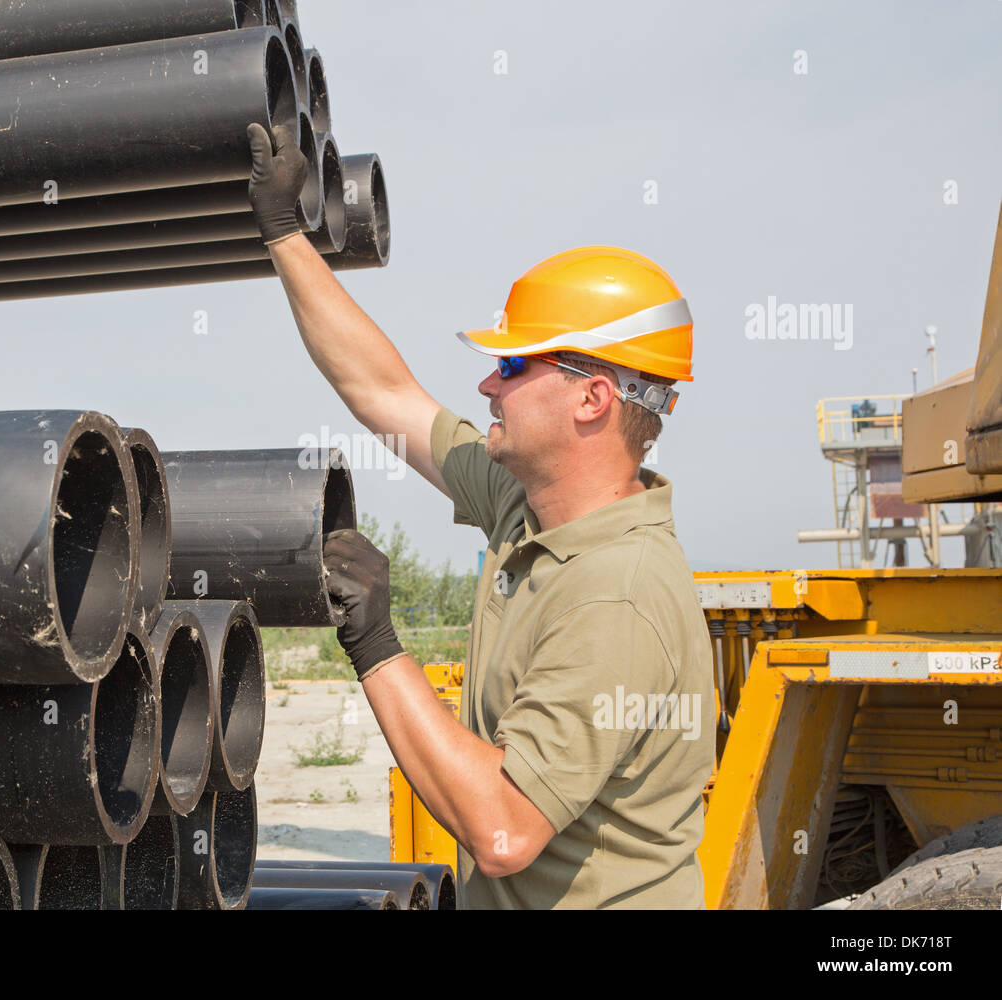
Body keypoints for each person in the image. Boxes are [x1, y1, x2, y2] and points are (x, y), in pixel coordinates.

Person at [246, 123, 715, 909]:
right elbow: (383, 393)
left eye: (511, 364)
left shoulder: (616, 595)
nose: (487, 387)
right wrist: (285, 234)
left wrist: (376, 644)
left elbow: (502, 831)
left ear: (592, 398)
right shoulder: (526, 508)